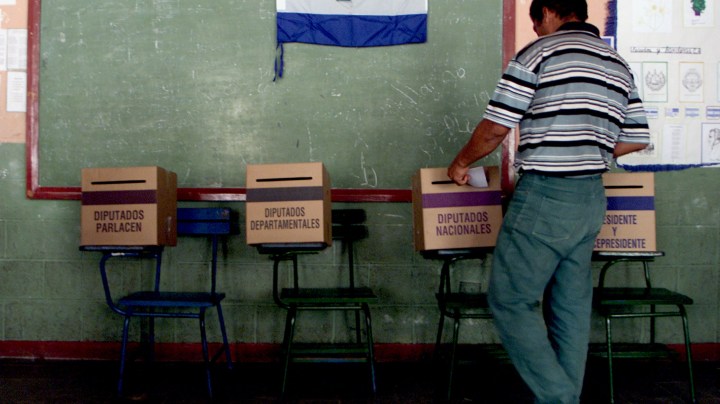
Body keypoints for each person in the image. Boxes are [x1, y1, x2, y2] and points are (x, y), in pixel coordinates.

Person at [447, 1, 650, 402]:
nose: (536, 31)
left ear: (550, 13)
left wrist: (461, 162)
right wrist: (591, 152)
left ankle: (559, 398)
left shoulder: (539, 54)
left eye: (535, 22)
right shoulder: (616, 63)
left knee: (509, 300)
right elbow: (637, 137)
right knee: (570, 309)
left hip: (546, 196)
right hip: (591, 198)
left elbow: (495, 129)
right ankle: (562, 396)